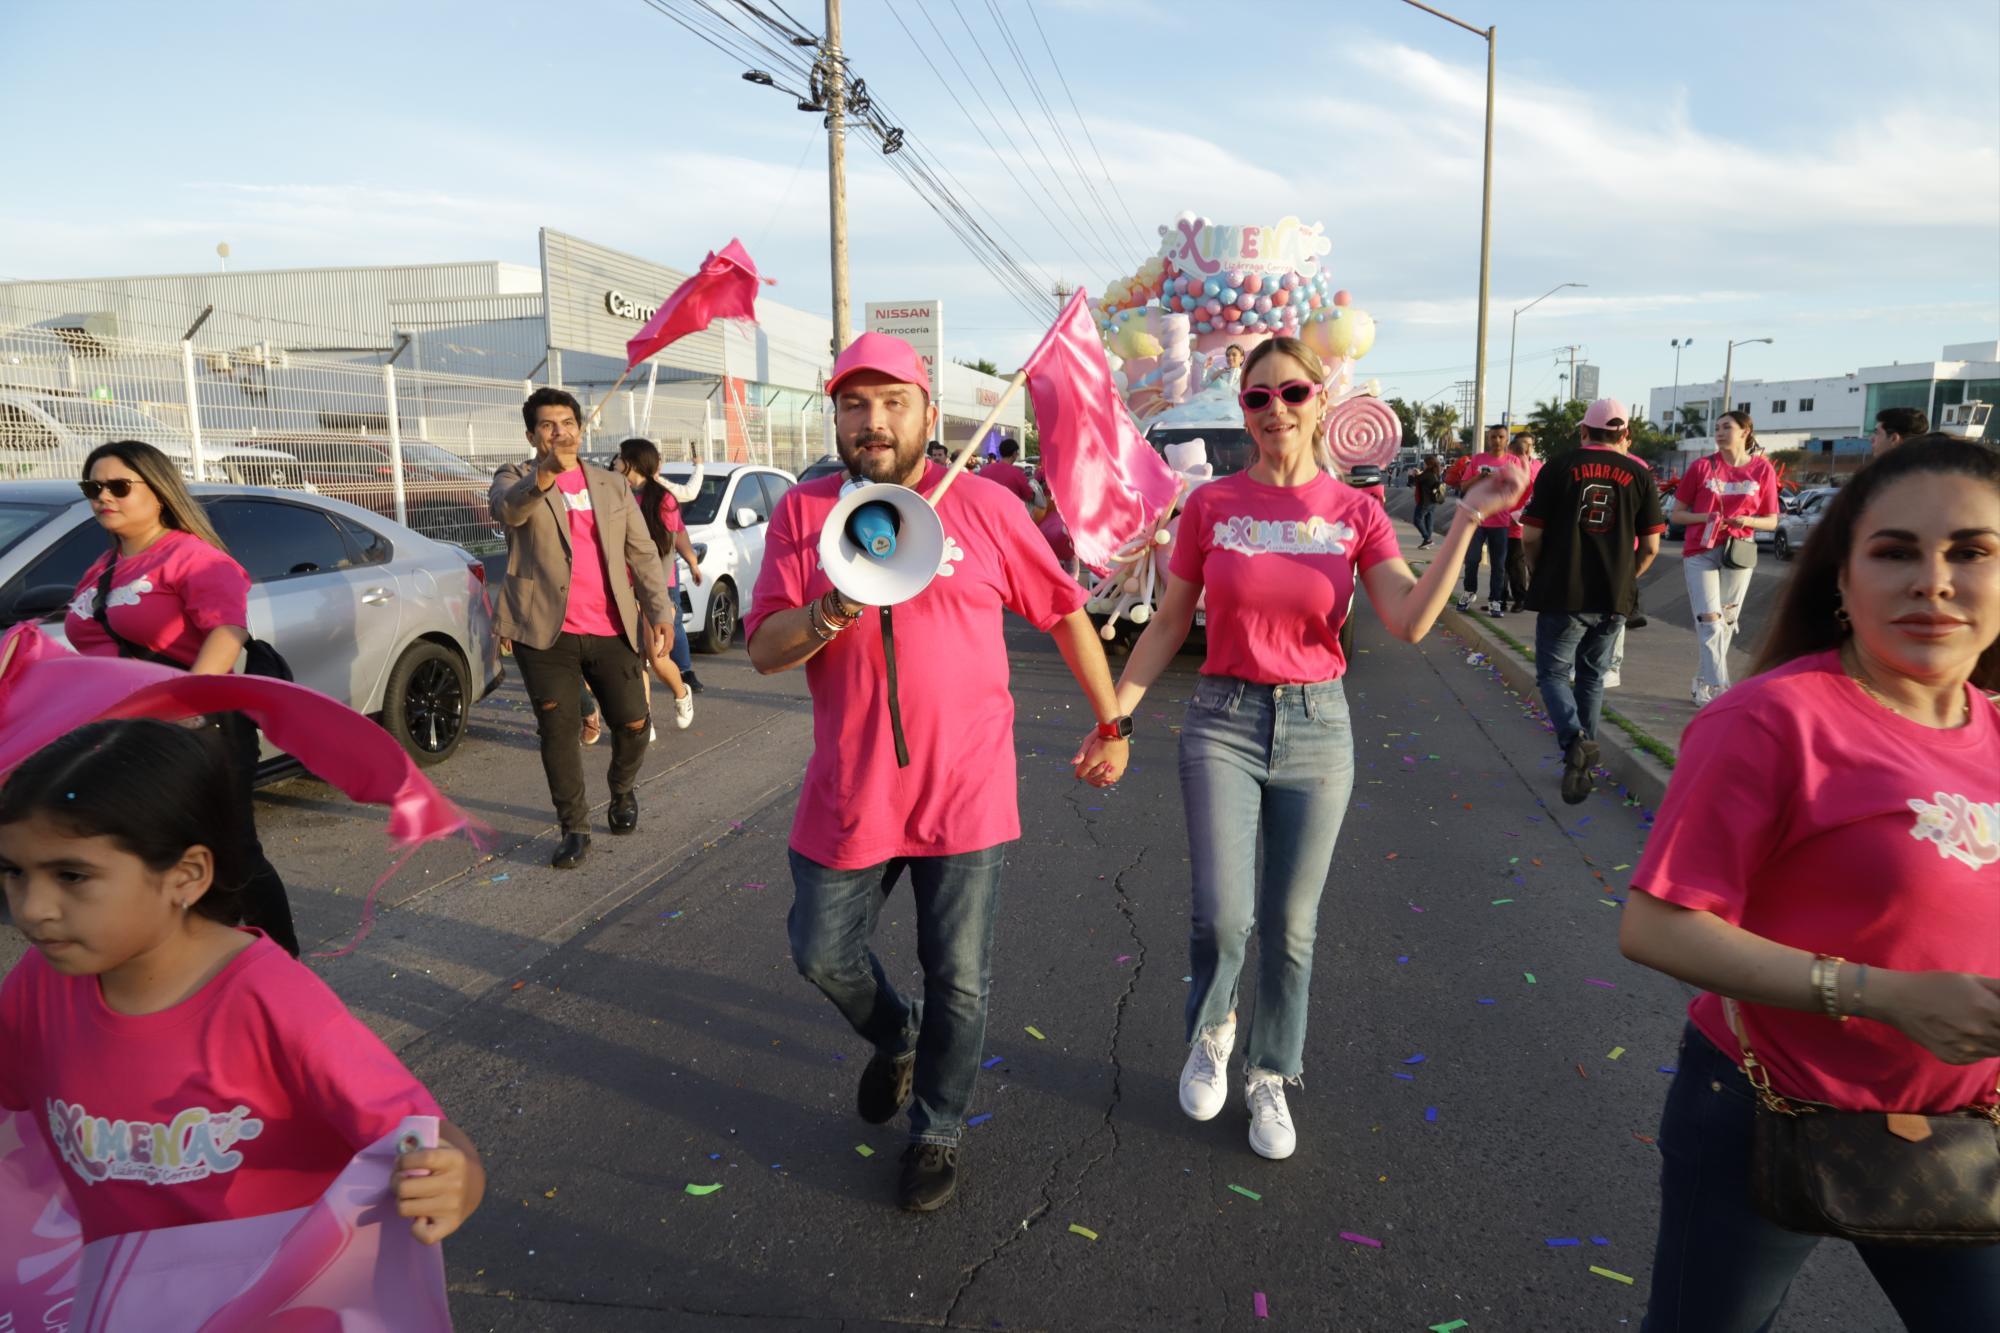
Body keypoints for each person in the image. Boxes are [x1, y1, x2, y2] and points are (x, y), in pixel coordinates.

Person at [1618, 435, 2000, 1332]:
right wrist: (1881, 995)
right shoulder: (1771, 720)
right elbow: (1657, 925)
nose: (1934, 580)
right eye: (1896, 551)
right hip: (1767, 1109)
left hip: (1960, 1128)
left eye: (1972, 552)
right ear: (1842, 576)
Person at [1111, 337, 1526, 1160]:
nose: (1276, 411)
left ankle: (1272, 1072)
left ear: (1321, 402)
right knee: (1224, 914)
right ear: (1244, 411)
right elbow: (1167, 620)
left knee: (1292, 926)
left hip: (1317, 724)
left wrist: (1472, 516)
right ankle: (1215, 1027)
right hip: (1223, 717)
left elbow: (1408, 620)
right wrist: (1116, 714)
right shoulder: (1211, 506)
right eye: (1258, 398)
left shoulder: (1354, 510)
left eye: (1292, 393)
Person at [746, 332, 1129, 1214]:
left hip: (966, 790)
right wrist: (833, 603)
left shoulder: (987, 510)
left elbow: (1065, 613)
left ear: (927, 413)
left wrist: (1112, 719)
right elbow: (767, 648)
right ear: (835, 415)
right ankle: (896, 1033)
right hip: (850, 790)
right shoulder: (806, 516)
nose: (872, 422)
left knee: (959, 973)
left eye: (891, 403)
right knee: (819, 951)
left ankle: (938, 1127)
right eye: (854, 404)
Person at [0, 718, 486, 1248]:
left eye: (71, 876)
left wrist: (454, 1178)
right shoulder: (38, 984)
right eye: (15, 872)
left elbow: (417, 1133)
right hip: (117, 1296)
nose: (32, 909)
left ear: (185, 875)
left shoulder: (271, 1001)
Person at [63, 440, 300, 957]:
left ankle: (279, 964)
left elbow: (228, 632)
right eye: (93, 487)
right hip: (125, 734)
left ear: (159, 491)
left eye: (119, 486)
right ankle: (186, 958)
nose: (103, 496)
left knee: (231, 849)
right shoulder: (100, 569)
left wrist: (184, 704)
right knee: (153, 848)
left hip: (200, 728)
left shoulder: (192, 557)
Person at [491, 389, 675, 870]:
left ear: (580, 427)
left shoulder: (611, 485)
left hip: (612, 626)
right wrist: (544, 476)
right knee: (559, 731)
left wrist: (660, 610)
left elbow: (642, 552)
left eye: (568, 422)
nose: (561, 432)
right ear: (531, 435)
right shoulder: (514, 478)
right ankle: (574, 827)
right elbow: (509, 511)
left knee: (634, 723)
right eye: (548, 425)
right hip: (544, 633)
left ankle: (622, 790)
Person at [1518, 399, 1666, 805]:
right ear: (1623, 435)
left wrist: (1537, 570)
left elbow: (1530, 536)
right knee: (1591, 678)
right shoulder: (1640, 473)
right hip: (1613, 597)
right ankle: (1581, 763)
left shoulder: (1559, 467)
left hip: (1563, 590)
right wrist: (1625, 578)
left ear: (1584, 431)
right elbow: (1651, 546)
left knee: (1552, 673)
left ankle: (1575, 741)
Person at [1668, 411, 1781, 706]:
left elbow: (1771, 520)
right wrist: (1707, 517)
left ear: (1745, 432)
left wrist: (1747, 521)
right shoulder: (1701, 467)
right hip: (1700, 551)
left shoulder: (1762, 470)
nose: (1719, 432)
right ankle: (1722, 689)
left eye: (1726, 427)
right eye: (1716, 427)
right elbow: (1676, 514)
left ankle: (1703, 680)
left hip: (1739, 553)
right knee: (1710, 621)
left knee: (1727, 622)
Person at [615, 437, 696, 732]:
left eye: (620, 457)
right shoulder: (618, 494)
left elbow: (669, 546)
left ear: (632, 462)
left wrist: (654, 595)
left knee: (658, 658)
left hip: (657, 588)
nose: (615, 462)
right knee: (637, 661)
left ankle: (681, 692)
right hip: (625, 587)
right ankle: (645, 721)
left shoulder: (664, 500)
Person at [1452, 425, 1513, 616]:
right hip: (1476, 520)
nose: (1497, 440)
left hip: (1500, 521)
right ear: (1488, 439)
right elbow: (1463, 486)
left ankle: (1496, 600)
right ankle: (1469, 592)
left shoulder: (1512, 462)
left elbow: (1518, 488)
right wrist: (1480, 477)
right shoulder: (1478, 460)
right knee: (1472, 560)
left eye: (1501, 437)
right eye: (1493, 437)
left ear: (1506, 439)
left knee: (1498, 564)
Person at [1501, 432, 1541, 611]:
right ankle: (1499, 597)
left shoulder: (1537, 467)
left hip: (1520, 524)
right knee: (1501, 562)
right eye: (1523, 444)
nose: (1527, 448)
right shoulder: (1507, 464)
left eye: (1529, 444)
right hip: (1500, 520)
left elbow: (1536, 494)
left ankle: (1521, 598)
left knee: (1516, 563)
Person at [981, 437, 1036, 505]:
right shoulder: (1017, 473)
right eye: (1017, 453)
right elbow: (1029, 496)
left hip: (987, 511)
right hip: (1009, 513)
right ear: (1014, 453)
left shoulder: (984, 470)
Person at [1409, 455, 1444, 548]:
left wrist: (1412, 474)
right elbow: (1423, 480)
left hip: (1425, 502)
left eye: (1424, 463)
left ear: (1428, 464)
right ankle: (1427, 541)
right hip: (1433, 501)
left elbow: (1414, 481)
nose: (1423, 465)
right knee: (1429, 522)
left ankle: (1427, 539)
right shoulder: (1435, 473)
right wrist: (1419, 474)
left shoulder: (1427, 473)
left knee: (1417, 520)